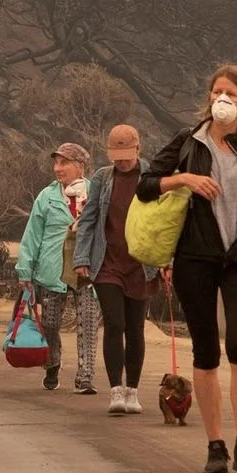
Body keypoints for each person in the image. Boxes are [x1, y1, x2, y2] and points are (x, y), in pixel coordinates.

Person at [138, 64, 237, 473]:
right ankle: (215, 445)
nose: (221, 98)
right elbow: (146, 183)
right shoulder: (189, 142)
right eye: (216, 91)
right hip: (195, 258)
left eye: (230, 93)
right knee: (205, 352)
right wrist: (184, 179)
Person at [77, 125, 156, 415]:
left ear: (138, 149)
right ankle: (115, 391)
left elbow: (164, 220)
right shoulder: (102, 178)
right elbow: (89, 218)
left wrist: (166, 262)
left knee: (135, 329)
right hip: (107, 261)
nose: (121, 161)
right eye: (116, 156)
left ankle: (132, 391)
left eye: (126, 155)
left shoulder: (152, 177)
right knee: (114, 324)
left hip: (141, 264)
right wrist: (82, 257)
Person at [17, 143, 91, 393]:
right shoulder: (46, 197)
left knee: (87, 324)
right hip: (51, 270)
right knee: (50, 324)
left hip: (86, 271)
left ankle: (85, 376)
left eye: (64, 163)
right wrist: (25, 271)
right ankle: (52, 364)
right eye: (56, 163)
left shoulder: (94, 193)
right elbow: (32, 236)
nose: (57, 169)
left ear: (80, 166)